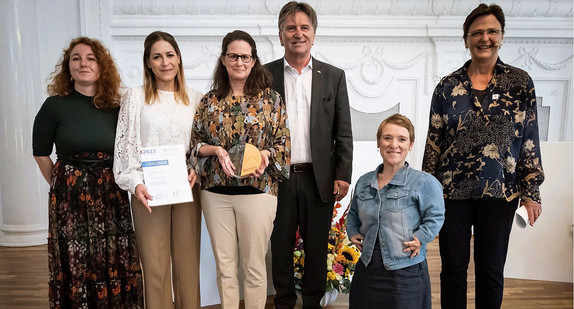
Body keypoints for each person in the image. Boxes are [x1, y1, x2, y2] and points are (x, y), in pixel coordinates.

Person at [422, 4, 545, 309]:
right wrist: (425, 192)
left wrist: (532, 191)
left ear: (501, 36)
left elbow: (529, 140)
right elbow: (434, 142)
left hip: (500, 192)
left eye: (492, 31)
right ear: (466, 39)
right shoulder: (447, 86)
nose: (485, 38)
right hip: (452, 192)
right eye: (477, 32)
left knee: (491, 271)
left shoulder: (519, 83)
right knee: (452, 270)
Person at [32, 37, 143, 308]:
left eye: (90, 58)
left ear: (101, 66)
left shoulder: (116, 108)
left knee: (113, 256)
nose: (83, 63)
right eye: (76, 58)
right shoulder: (54, 106)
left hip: (110, 194)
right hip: (68, 198)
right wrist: (64, 185)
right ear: (67, 68)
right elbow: (40, 152)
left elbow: (128, 150)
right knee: (75, 257)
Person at [190, 30, 290, 309]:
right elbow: (195, 143)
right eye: (233, 56)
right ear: (223, 59)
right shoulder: (209, 101)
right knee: (225, 267)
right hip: (215, 193)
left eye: (245, 56)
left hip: (259, 192)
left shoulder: (271, 100)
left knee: (255, 267)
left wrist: (265, 155)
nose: (239, 61)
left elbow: (283, 143)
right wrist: (216, 150)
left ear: (254, 60)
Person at [265, 2, 353, 308]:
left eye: (304, 27)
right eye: (290, 28)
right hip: (279, 179)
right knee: (281, 246)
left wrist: (343, 173)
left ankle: (313, 303)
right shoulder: (263, 75)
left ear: (313, 35)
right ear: (280, 36)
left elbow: (343, 130)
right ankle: (285, 303)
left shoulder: (333, 76)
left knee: (316, 248)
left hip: (320, 178)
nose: (297, 33)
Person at [113, 31, 203, 309]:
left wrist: (195, 168)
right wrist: (134, 183)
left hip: (187, 187)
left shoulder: (196, 98)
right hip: (148, 190)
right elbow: (125, 145)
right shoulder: (135, 97)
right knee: (155, 266)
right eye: (157, 56)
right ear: (148, 63)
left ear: (178, 59)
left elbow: (200, 146)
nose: (165, 62)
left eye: (170, 55)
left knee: (188, 264)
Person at [346, 114, 444, 309]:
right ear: (379, 142)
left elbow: (435, 217)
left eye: (402, 139)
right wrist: (352, 231)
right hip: (367, 269)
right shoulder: (364, 182)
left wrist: (420, 238)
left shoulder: (424, 182)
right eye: (387, 137)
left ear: (411, 144)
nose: (394, 145)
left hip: (406, 272)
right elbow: (354, 214)